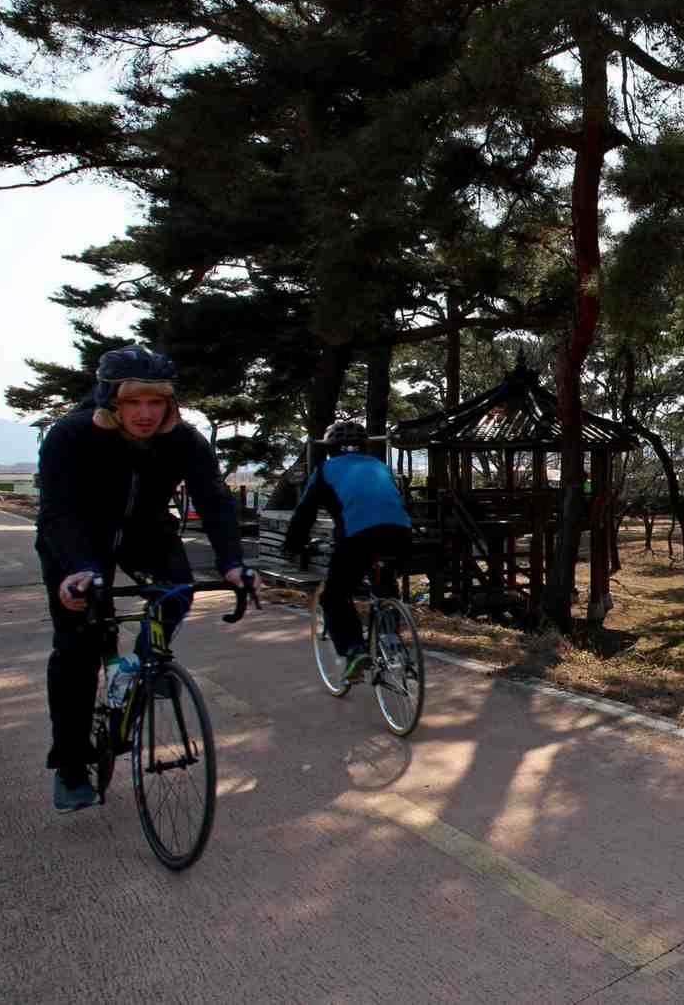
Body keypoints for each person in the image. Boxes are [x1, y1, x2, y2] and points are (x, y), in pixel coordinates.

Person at [36, 344, 253, 812]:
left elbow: (214, 501)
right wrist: (78, 570)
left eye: (156, 402)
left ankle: (142, 666)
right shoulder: (70, 435)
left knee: (176, 593)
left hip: (146, 533)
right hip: (76, 537)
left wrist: (233, 562)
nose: (145, 414)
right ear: (110, 400)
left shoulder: (184, 439)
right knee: (76, 648)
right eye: (133, 402)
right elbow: (57, 511)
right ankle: (72, 763)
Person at [282, 420, 412, 683]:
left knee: (333, 595)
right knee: (384, 584)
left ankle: (354, 651)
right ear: (363, 447)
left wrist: (292, 546)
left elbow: (304, 513)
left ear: (330, 448)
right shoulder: (379, 466)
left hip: (358, 536)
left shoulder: (326, 469)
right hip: (401, 533)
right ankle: (391, 638)